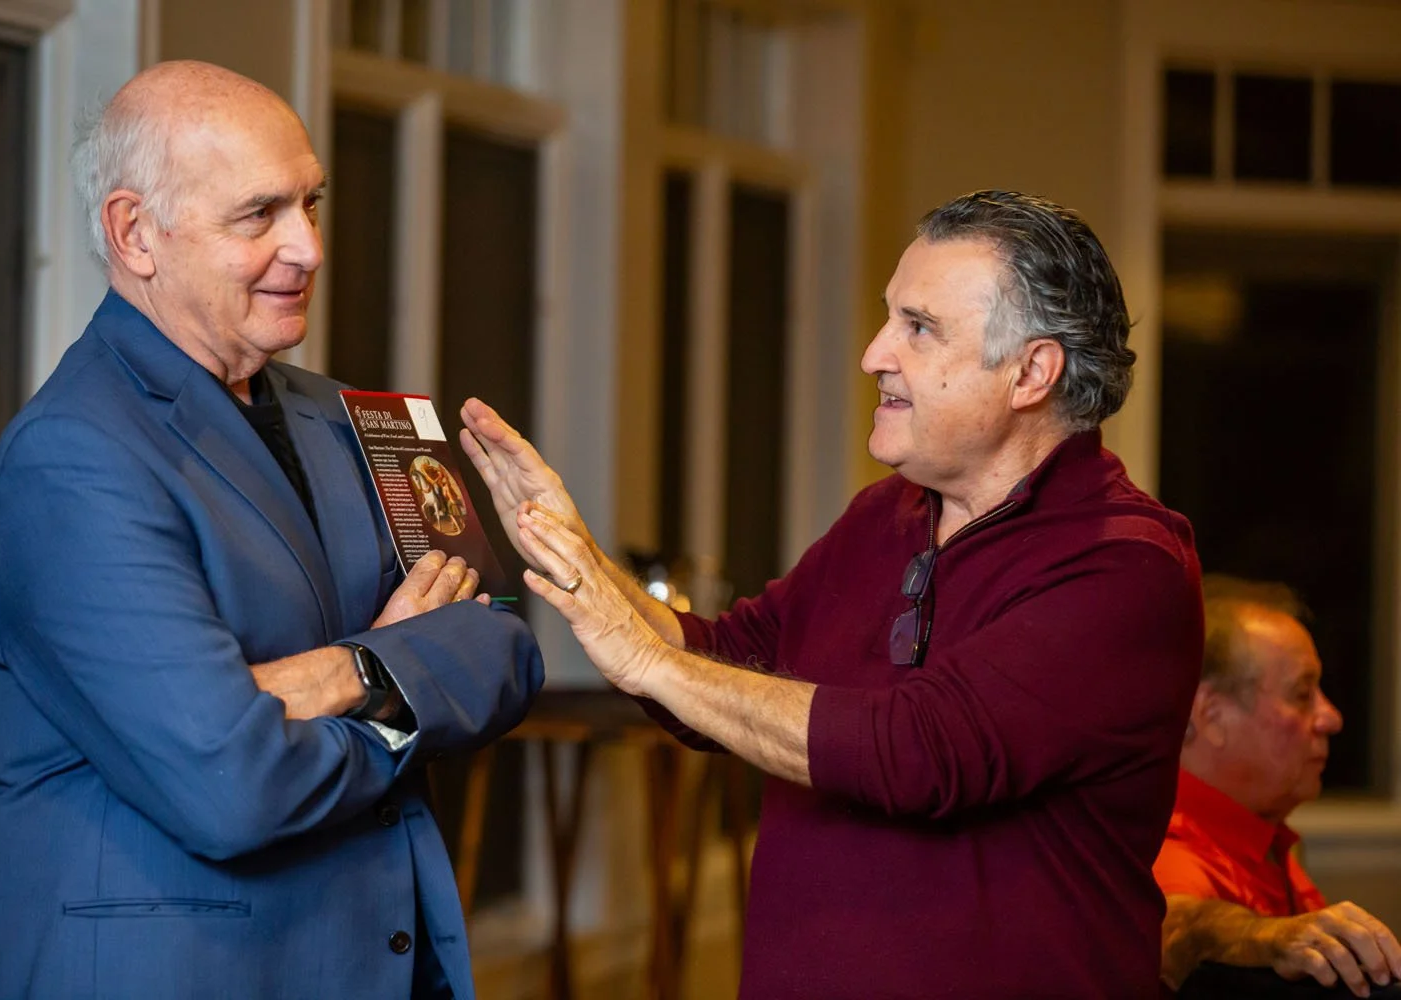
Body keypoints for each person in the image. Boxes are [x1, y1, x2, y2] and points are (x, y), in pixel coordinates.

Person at [460, 190, 1205, 999]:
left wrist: (643, 657)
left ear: (1031, 371)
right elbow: (725, 662)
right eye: (890, 319)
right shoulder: (885, 514)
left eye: (919, 328)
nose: (875, 353)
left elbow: (918, 752)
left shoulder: (1126, 566)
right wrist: (579, 561)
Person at [0, 61, 542, 1000]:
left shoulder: (365, 417)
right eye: (260, 215)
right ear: (133, 233)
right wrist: (394, 669)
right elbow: (230, 787)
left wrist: (338, 676)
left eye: (311, 204)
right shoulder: (71, 458)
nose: (309, 247)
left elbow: (502, 652)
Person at [1155, 577, 1401, 996]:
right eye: (1303, 694)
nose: (1332, 717)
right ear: (1211, 716)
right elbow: (1173, 928)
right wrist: (1262, 937)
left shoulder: (1264, 835)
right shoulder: (1164, 846)